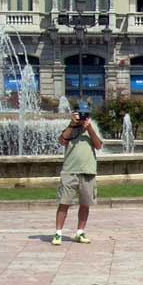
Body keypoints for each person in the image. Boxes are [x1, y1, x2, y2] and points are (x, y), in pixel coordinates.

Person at [53, 101, 103, 246]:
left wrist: (90, 129)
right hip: (70, 171)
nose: (83, 117)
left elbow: (99, 146)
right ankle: (58, 233)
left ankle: (80, 231)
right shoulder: (70, 127)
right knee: (64, 203)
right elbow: (62, 141)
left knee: (85, 203)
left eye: (85, 114)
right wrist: (73, 124)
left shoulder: (91, 127)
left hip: (88, 170)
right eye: (81, 114)